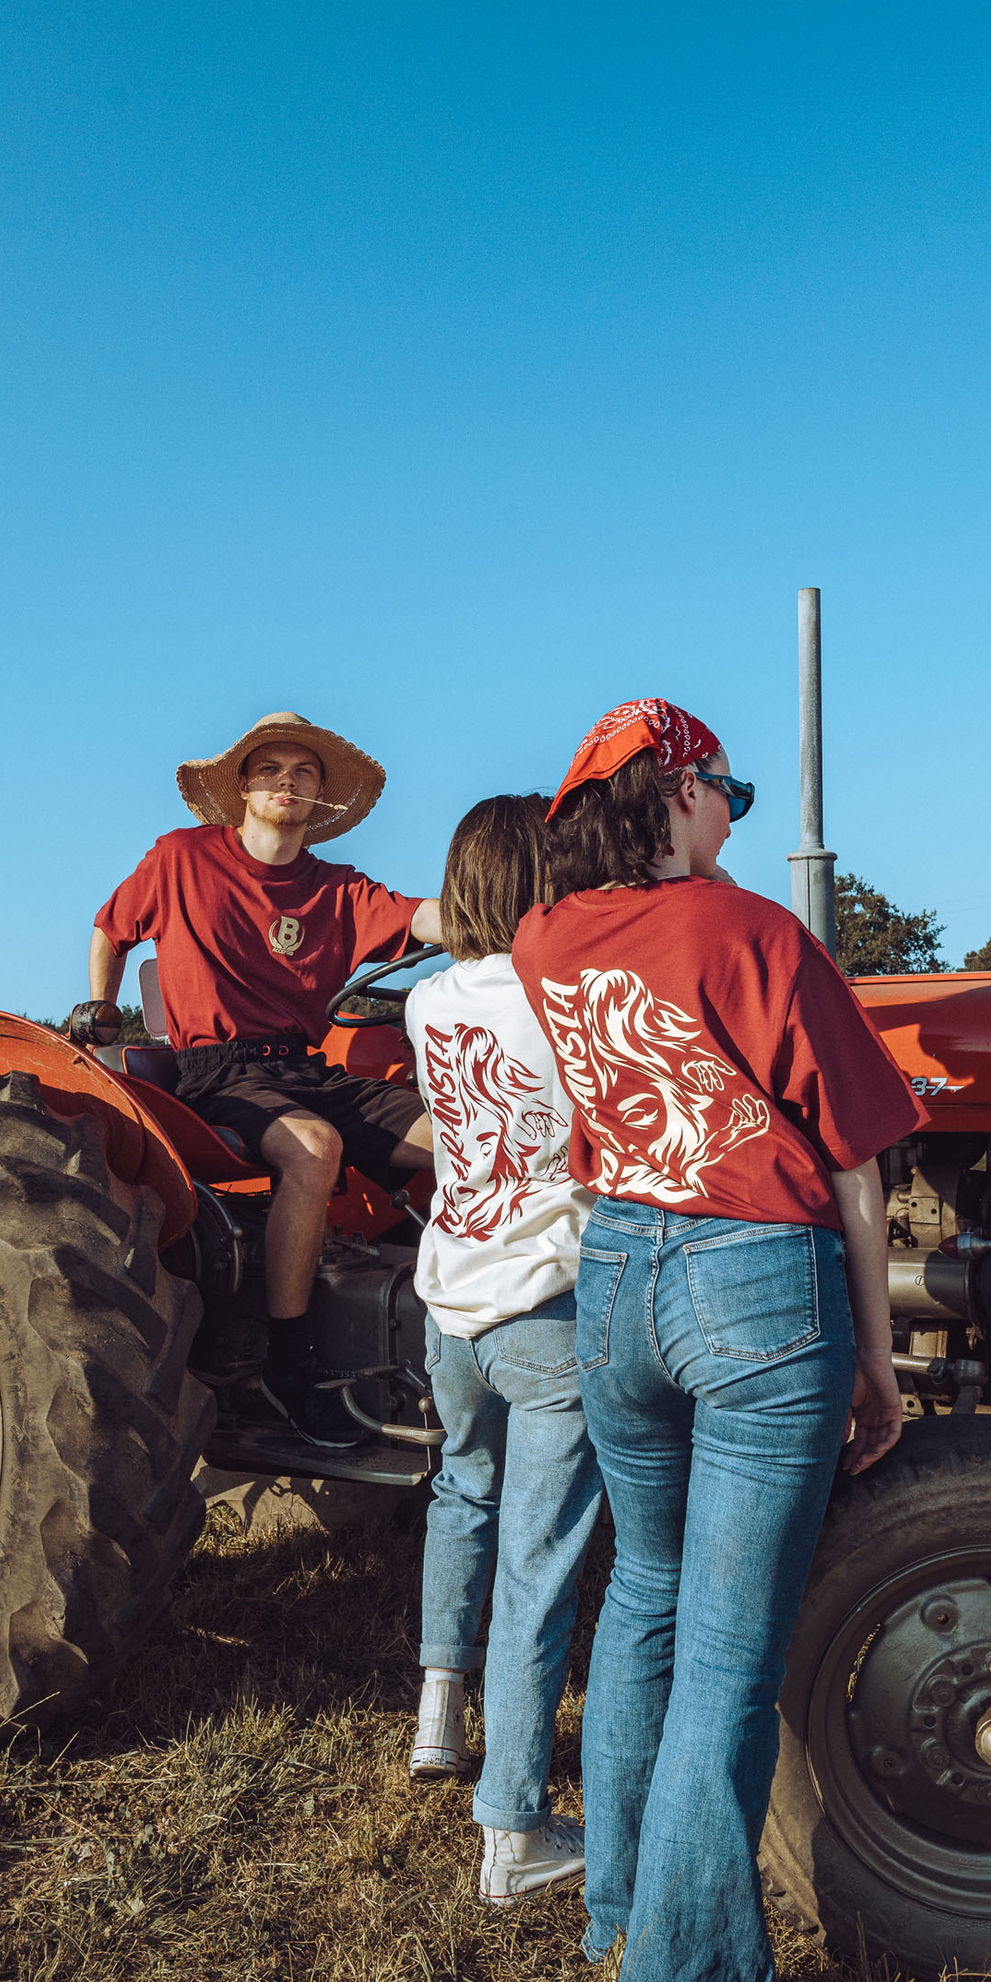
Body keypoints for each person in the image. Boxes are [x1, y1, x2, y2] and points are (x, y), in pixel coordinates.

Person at [510, 697, 925, 1982]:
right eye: (724, 789)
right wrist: (877, 1354)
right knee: (730, 1662)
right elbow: (858, 1163)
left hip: (617, 1271)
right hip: (756, 1283)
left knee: (648, 1603)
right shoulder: (755, 934)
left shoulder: (542, 939)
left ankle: (623, 1916)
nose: (734, 813)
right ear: (675, 790)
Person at [84, 711, 442, 1452]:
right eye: (272, 769)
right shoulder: (181, 858)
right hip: (215, 1070)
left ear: (321, 799)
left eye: (304, 772)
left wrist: (519, 914)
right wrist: (104, 1006)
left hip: (304, 1066)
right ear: (244, 786)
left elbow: (427, 918)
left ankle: (459, 1332)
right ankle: (289, 1360)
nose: (288, 781)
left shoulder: (337, 889)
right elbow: (110, 927)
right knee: (312, 1148)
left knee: (465, 1135)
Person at [403, 795, 604, 1907]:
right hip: (544, 1303)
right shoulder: (568, 1000)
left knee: (460, 1492)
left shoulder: (429, 1002)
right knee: (541, 1568)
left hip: (450, 1298)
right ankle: (514, 1828)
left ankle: (439, 1712)